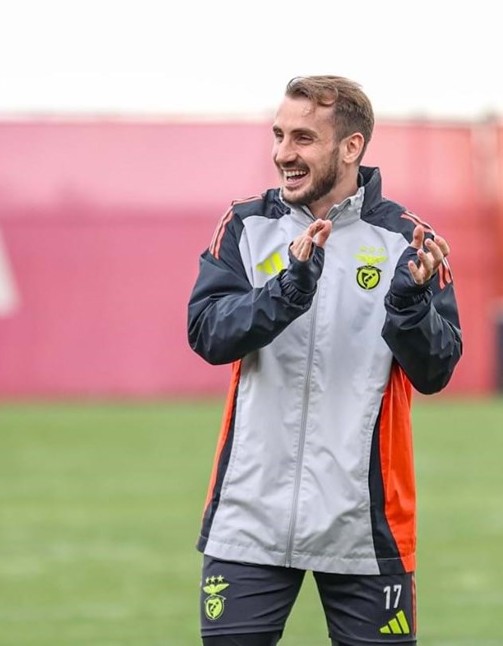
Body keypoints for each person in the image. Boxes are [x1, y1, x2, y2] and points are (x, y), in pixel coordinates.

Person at [187, 76, 463, 646]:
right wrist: (287, 291)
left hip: (366, 527)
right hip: (250, 520)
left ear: (351, 147)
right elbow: (208, 333)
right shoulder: (245, 227)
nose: (283, 153)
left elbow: (437, 371)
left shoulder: (408, 242)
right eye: (279, 135)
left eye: (303, 138)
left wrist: (409, 309)